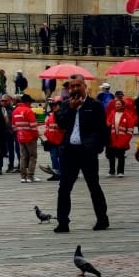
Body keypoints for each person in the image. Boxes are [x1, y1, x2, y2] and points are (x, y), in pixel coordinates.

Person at [54, 77, 111, 233]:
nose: (75, 88)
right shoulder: (66, 104)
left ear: (85, 87)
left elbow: (102, 129)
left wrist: (97, 148)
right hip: (69, 151)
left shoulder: (95, 105)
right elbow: (61, 123)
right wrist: (72, 108)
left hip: (87, 152)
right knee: (64, 188)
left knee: (94, 186)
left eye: (78, 85)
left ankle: (102, 219)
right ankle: (63, 222)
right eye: (72, 86)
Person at [11, 93, 40, 183]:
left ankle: (23, 177)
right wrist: (36, 135)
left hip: (20, 137)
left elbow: (13, 126)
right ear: (27, 102)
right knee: (32, 156)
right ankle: (30, 176)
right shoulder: (28, 111)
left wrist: (20, 133)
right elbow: (33, 126)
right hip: (30, 137)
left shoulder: (15, 111)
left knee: (23, 156)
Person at [105, 96, 136, 177]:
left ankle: (120, 172)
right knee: (111, 156)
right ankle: (111, 171)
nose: (117, 105)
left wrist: (127, 139)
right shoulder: (112, 113)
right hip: (112, 139)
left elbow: (130, 129)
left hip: (122, 140)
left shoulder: (127, 115)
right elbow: (107, 123)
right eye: (116, 104)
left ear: (122, 105)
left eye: (119, 104)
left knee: (121, 156)